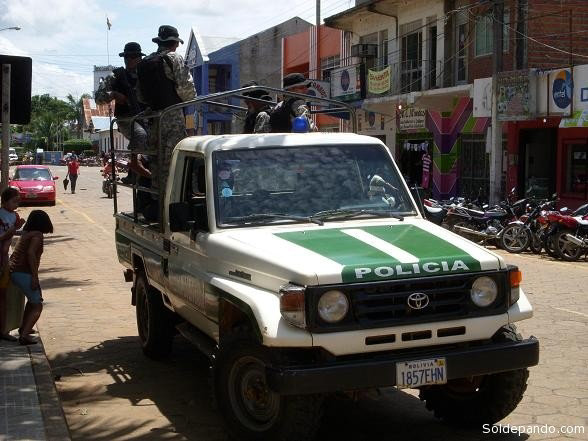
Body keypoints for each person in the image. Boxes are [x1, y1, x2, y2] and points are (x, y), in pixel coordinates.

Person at [137, 25, 196, 197]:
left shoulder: (145, 63)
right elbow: (188, 92)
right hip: (172, 119)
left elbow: (141, 96)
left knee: (156, 165)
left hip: (154, 120)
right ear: (175, 43)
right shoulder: (173, 58)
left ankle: (158, 206)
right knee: (173, 164)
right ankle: (172, 207)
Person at [95, 42, 151, 182]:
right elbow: (99, 98)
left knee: (156, 139)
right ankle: (135, 164)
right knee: (140, 134)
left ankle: (137, 172)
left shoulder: (146, 74)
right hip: (126, 118)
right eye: (126, 56)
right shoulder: (117, 75)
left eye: (133, 56)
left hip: (146, 116)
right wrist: (113, 94)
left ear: (140, 57)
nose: (129, 59)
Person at [10, 210, 53, 345]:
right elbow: (31, 254)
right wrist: (35, 277)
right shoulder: (37, 236)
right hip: (23, 272)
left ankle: (25, 327)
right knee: (37, 305)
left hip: (15, 271)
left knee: (32, 301)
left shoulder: (27, 234)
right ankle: (24, 336)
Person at [0, 188, 24, 341]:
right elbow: (4, 236)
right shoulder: (2, 216)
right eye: (14, 201)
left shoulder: (14, 216)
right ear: (5, 201)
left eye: (17, 201)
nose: (16, 204)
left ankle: (4, 328)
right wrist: (15, 228)